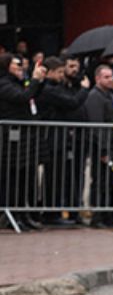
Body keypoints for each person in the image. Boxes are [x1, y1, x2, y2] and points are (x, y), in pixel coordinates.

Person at [36, 56, 90, 225]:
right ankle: (51, 213)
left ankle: (59, 211)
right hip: (53, 139)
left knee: (63, 177)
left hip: (63, 139)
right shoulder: (48, 89)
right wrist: (84, 89)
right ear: (50, 72)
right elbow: (71, 103)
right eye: (59, 72)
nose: (61, 75)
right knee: (54, 178)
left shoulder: (60, 87)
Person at [0, 53, 46, 231]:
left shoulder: (18, 82)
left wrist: (38, 81)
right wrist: (34, 81)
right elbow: (22, 97)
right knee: (13, 178)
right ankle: (13, 214)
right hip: (12, 139)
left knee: (25, 178)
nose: (20, 67)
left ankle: (24, 214)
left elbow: (32, 95)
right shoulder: (4, 84)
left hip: (26, 137)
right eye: (16, 65)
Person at [84, 63, 113, 226]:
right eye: (106, 77)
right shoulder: (95, 96)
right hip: (102, 147)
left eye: (111, 77)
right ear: (97, 78)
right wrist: (103, 149)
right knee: (101, 182)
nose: (110, 80)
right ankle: (98, 216)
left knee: (110, 182)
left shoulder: (109, 95)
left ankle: (109, 214)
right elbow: (97, 125)